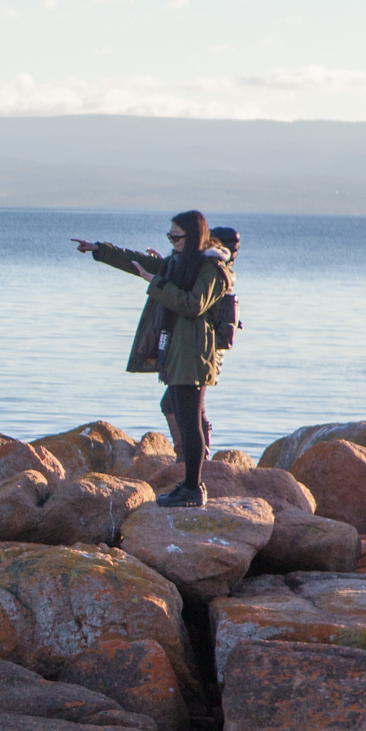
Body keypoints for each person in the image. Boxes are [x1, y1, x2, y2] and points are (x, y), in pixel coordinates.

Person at [74, 210, 235, 508]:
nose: (172, 241)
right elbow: (142, 264)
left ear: (193, 236)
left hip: (194, 355)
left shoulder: (212, 270)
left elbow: (194, 304)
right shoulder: (179, 264)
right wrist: (100, 250)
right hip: (176, 352)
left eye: (177, 236)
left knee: (190, 422)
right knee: (184, 415)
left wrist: (156, 283)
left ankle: (192, 488)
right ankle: (189, 483)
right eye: (169, 236)